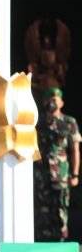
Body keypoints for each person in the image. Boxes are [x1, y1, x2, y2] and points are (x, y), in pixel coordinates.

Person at [34, 87, 80, 242]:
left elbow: (75, 151)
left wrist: (75, 174)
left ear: (62, 103)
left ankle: (61, 242)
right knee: (42, 211)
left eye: (56, 99)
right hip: (41, 176)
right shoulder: (38, 122)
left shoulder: (69, 122)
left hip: (61, 174)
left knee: (60, 209)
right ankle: (43, 243)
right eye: (50, 99)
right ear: (45, 103)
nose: (53, 102)